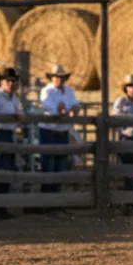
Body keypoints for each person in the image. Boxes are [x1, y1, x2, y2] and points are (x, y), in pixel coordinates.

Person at [0, 67, 26, 201]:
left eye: (13, 81)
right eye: (8, 81)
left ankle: (1, 203)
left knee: (6, 169)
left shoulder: (14, 98)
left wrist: (19, 117)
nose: (11, 84)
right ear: (2, 82)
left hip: (7, 134)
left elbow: (21, 114)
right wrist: (12, 117)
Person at [38, 64, 80, 194]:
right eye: (56, 77)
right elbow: (49, 107)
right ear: (52, 78)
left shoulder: (69, 91)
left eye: (61, 77)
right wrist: (61, 110)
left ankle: (55, 198)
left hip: (62, 132)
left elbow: (75, 105)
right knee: (49, 166)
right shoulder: (47, 91)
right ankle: (48, 199)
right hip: (49, 132)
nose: (59, 79)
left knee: (60, 166)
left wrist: (74, 109)